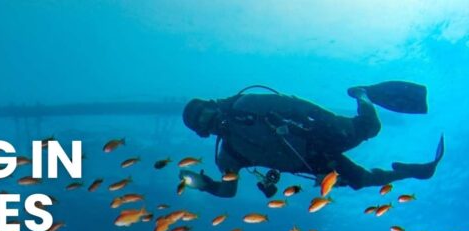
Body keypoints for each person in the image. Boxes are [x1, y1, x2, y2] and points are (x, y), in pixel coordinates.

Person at [180, 81, 444, 197]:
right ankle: (414, 172)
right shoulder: (228, 155)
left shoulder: (246, 103)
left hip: (316, 134)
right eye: (202, 125)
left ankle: (362, 93)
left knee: (370, 128)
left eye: (206, 114)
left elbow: (294, 105)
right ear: (203, 134)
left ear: (213, 105)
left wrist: (332, 120)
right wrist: (203, 184)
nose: (209, 123)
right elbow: (228, 190)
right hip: (310, 164)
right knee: (362, 180)